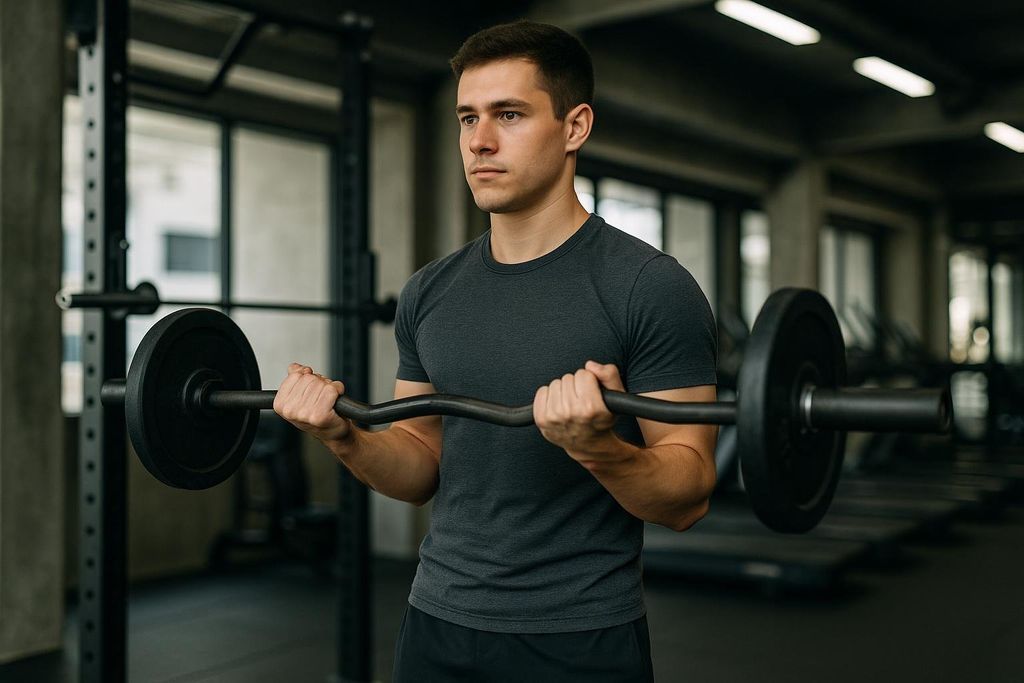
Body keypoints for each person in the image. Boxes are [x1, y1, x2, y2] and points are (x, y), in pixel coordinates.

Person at [274, 20, 718, 682]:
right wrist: (343, 433)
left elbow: (689, 491)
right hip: (435, 623)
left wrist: (600, 448)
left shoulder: (649, 287)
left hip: (579, 635)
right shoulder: (430, 290)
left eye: (508, 114)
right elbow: (419, 464)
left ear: (575, 127)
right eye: (468, 118)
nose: (479, 141)